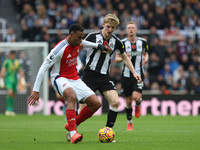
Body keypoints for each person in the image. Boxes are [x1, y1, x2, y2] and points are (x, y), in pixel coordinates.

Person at [27, 23, 112, 144]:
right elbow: (43, 67)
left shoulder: (77, 42)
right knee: (71, 96)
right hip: (60, 78)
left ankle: (73, 123)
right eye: (79, 37)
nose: (81, 40)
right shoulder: (59, 49)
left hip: (75, 78)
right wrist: (36, 90)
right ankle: (73, 134)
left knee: (96, 104)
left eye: (82, 37)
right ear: (71, 35)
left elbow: (85, 43)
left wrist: (100, 46)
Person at [81, 14, 142, 133]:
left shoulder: (116, 41)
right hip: (89, 75)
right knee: (83, 106)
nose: (110, 30)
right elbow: (80, 44)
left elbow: (125, 57)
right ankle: (73, 129)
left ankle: (108, 131)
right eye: (108, 26)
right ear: (103, 25)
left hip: (104, 76)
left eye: (113, 28)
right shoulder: (93, 36)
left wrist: (134, 72)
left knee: (116, 102)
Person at [115, 21, 149, 131]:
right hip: (126, 75)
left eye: (132, 28)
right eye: (128, 28)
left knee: (136, 97)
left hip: (138, 74)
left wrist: (146, 58)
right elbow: (116, 58)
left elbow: (146, 53)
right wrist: (124, 58)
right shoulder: (122, 43)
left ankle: (138, 104)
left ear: (136, 30)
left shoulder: (143, 42)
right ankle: (130, 122)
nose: (130, 29)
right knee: (128, 101)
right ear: (126, 30)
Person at [0, 51, 26, 116]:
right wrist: (1, 79)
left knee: (13, 94)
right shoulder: (7, 62)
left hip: (15, 80)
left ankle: (10, 110)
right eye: (11, 55)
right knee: (10, 92)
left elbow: (20, 71)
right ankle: (8, 109)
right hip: (8, 79)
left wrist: (22, 80)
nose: (12, 56)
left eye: (13, 55)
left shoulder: (17, 62)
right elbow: (3, 71)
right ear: (10, 55)